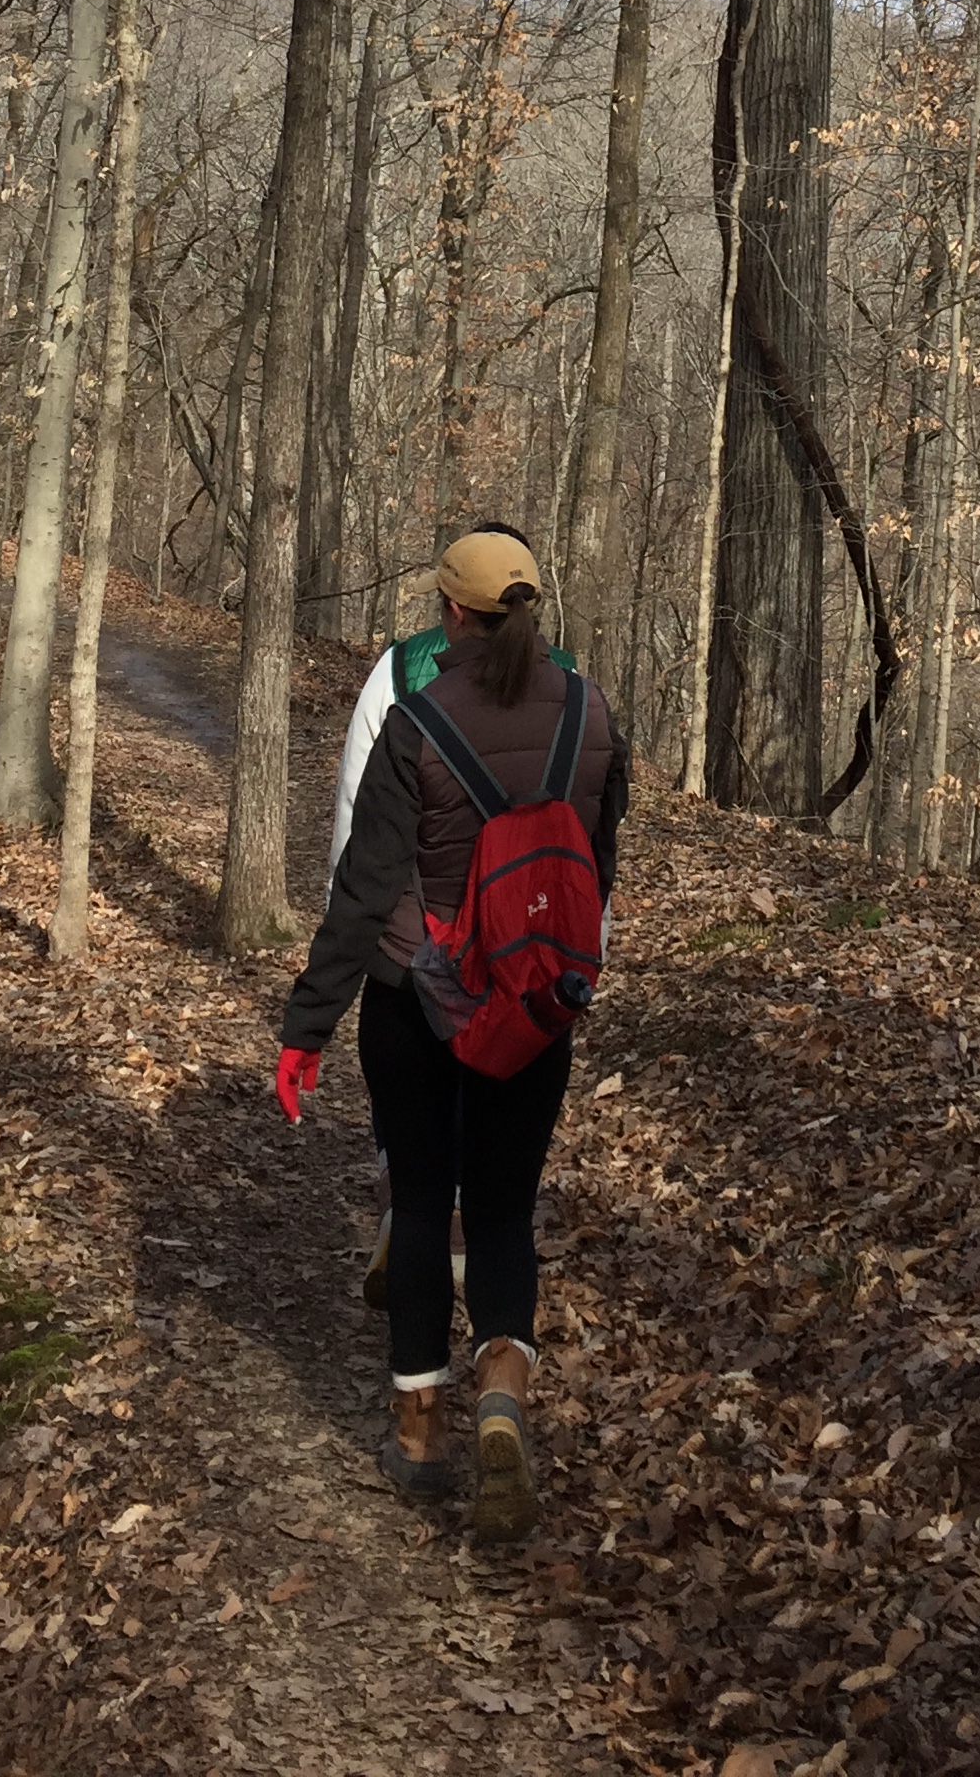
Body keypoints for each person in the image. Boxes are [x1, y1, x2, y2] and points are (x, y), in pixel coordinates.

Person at [276, 527, 629, 1543]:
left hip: (416, 999)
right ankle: (503, 1394)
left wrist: (306, 1027)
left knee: (425, 1206)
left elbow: (364, 887)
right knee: (506, 1209)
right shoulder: (591, 715)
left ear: (450, 614)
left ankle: (421, 1437)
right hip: (533, 1006)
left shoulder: (419, 721)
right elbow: (596, 867)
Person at [326, 522, 569, 1309]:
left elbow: (356, 814)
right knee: (496, 1096)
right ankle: (472, 1254)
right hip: (527, 943)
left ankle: (410, 1219)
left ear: (453, 602)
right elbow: (584, 836)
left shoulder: (399, 669)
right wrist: (582, 945)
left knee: (411, 1101)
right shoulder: (570, 686)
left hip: (418, 943)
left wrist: (349, 934)